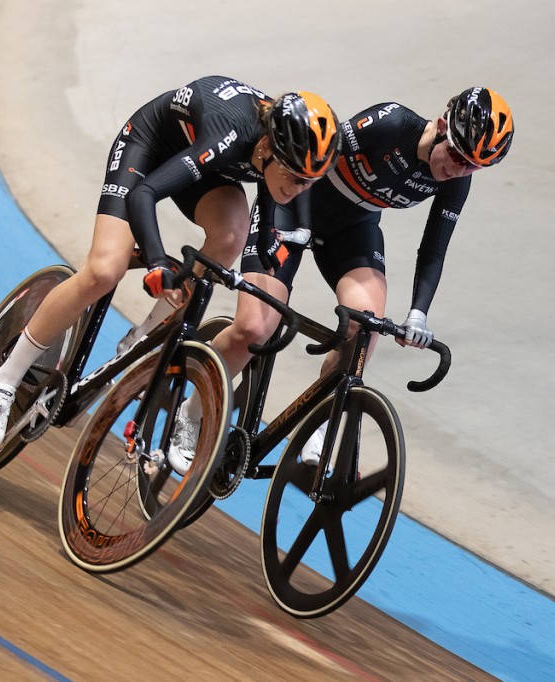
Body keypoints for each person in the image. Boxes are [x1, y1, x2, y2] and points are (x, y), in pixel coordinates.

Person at [0, 76, 341, 455]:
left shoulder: (278, 160)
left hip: (205, 169)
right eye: (296, 177)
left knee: (230, 236)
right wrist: (157, 259)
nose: (299, 188)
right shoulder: (231, 134)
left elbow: (263, 226)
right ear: (266, 146)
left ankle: (144, 336)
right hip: (147, 150)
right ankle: (4, 379)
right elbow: (145, 193)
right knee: (104, 270)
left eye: (310, 182)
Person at [175, 86, 514, 467]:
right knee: (255, 329)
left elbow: (435, 245)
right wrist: (298, 225)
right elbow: (312, 160)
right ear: (440, 126)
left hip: (352, 230)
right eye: (455, 153)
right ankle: (190, 414)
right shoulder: (391, 122)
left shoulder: (457, 181)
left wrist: (418, 312)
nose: (457, 168)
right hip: (292, 209)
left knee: (367, 329)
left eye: (472, 165)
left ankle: (316, 426)